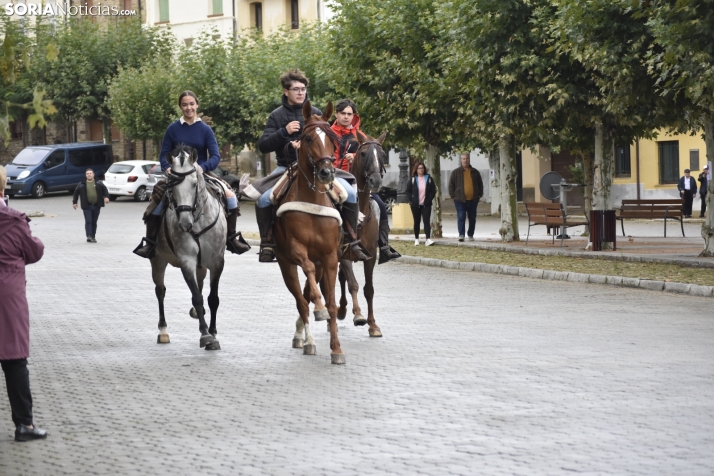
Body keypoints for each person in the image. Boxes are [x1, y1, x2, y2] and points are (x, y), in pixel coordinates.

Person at [254, 69, 368, 263]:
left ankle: (351, 240)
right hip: (287, 168)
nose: (301, 93)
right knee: (264, 200)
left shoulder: (316, 113)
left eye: (303, 89)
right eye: (296, 89)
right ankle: (268, 243)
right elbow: (263, 145)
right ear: (285, 91)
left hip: (318, 169)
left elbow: (331, 141)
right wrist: (284, 132)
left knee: (348, 194)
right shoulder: (277, 116)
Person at [134, 90, 250, 258]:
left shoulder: (205, 129)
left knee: (231, 196)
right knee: (157, 202)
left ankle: (231, 238)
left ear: (197, 105)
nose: (188, 108)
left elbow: (216, 155)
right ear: (180, 107)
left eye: (191, 104)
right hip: (177, 175)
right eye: (184, 105)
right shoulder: (172, 129)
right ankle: (151, 243)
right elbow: (163, 153)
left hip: (203, 172)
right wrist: (167, 167)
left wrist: (202, 168)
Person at [0, 167, 48, 442]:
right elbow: (34, 251)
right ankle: (24, 425)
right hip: (8, 295)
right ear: (3, 189)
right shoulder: (14, 220)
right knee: (15, 361)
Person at [330, 98, 400, 264]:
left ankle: (384, 246)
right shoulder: (328, 133)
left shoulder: (360, 136)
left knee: (381, 205)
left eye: (350, 114)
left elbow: (368, 157)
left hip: (355, 181)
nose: (347, 117)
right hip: (334, 178)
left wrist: (354, 157)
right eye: (343, 113)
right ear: (337, 114)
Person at [448, 153, 484, 242]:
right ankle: (461, 235)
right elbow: (451, 185)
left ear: (469, 159)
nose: (465, 160)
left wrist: (480, 194)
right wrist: (453, 196)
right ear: (461, 160)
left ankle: (470, 234)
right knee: (461, 217)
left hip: (473, 200)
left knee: (472, 218)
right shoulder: (455, 172)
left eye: (467, 158)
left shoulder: (475, 172)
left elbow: (480, 184)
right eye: (463, 159)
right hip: (460, 200)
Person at [72, 168, 110, 242]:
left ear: (93, 174)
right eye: (87, 174)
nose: (89, 175)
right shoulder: (81, 184)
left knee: (94, 222)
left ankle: (93, 236)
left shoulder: (99, 183)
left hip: (96, 205)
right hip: (86, 206)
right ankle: (89, 236)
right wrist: (74, 202)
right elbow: (76, 193)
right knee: (88, 221)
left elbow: (105, 190)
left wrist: (106, 197)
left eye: (90, 173)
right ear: (85, 175)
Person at [406, 161, 436, 246]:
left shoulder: (429, 178)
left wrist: (429, 198)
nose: (421, 170)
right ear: (416, 169)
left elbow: (433, 190)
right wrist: (412, 199)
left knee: (426, 221)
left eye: (422, 168)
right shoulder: (412, 179)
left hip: (426, 204)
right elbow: (408, 191)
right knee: (417, 221)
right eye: (419, 168)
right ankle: (416, 239)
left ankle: (428, 239)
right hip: (415, 205)